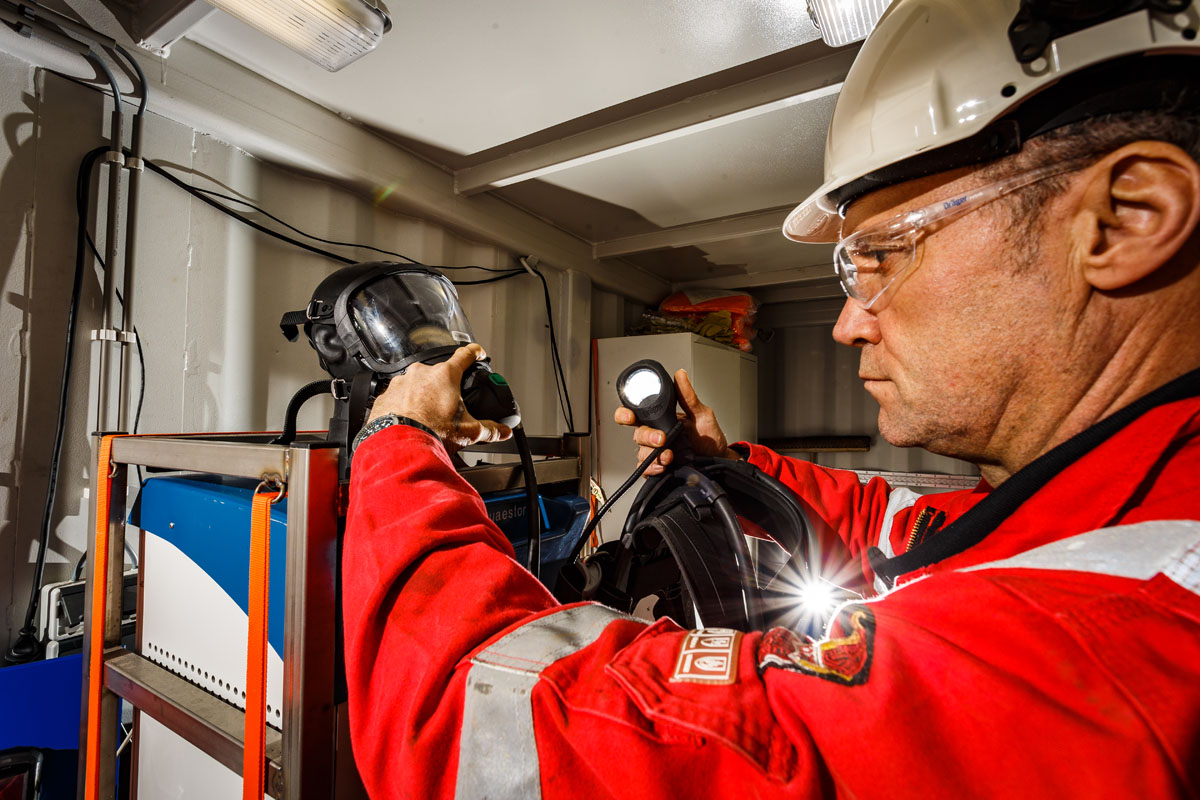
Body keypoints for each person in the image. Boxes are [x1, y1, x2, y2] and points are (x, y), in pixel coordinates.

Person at [342, 1, 1200, 797]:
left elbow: (477, 720)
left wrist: (399, 440)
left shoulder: (1097, 655)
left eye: (886, 256)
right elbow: (892, 526)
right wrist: (729, 465)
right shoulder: (1112, 517)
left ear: (1126, 216)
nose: (847, 325)